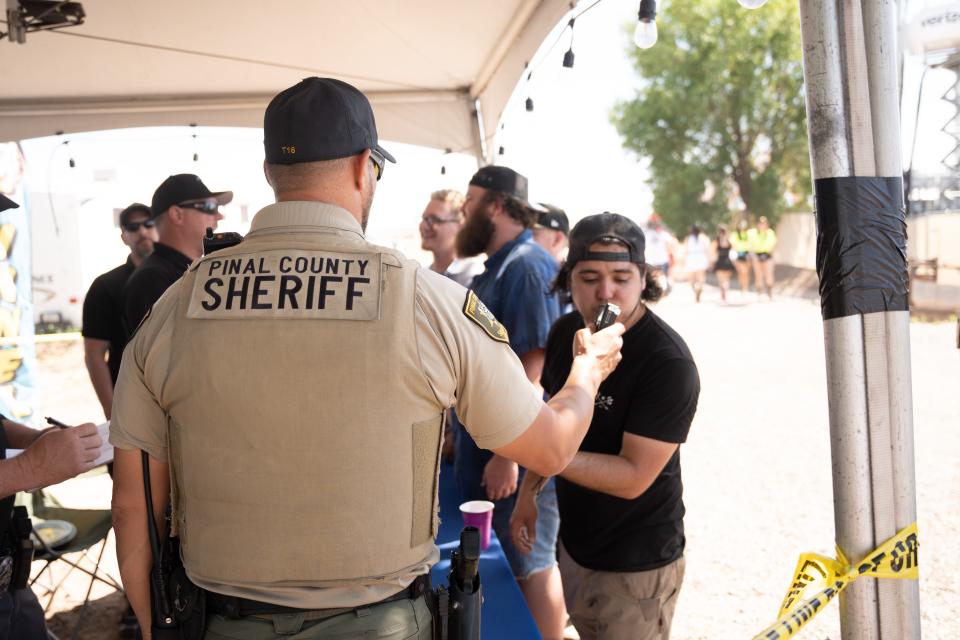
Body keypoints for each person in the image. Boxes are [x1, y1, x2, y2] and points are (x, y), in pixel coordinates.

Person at [109, 77, 625, 640]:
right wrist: (586, 372)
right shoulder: (426, 301)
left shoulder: (174, 308)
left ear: (269, 174)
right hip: (382, 623)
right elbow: (549, 446)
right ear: (364, 167)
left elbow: (134, 506)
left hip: (220, 621)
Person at [511, 213, 700, 640]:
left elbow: (634, 476)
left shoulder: (666, 361)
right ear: (568, 279)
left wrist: (547, 452)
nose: (606, 291)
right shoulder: (565, 334)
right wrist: (528, 493)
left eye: (621, 277)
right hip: (575, 544)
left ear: (644, 280)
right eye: (589, 277)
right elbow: (554, 421)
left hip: (637, 562)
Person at [453, 165, 567, 638]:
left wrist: (506, 453)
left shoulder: (526, 265)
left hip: (513, 454)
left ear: (496, 206)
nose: (464, 209)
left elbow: (533, 365)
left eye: (471, 199)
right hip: (491, 451)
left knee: (529, 567)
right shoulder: (501, 264)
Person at [121, 173, 230, 335]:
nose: (219, 216)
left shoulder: (189, 271)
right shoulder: (152, 279)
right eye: (209, 207)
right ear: (177, 215)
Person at [82, 203, 158, 420]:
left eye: (148, 223)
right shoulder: (105, 286)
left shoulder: (182, 276)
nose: (142, 231)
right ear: (124, 237)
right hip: (131, 404)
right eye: (133, 227)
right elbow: (94, 354)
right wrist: (112, 412)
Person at [418, 188, 482, 287]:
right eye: (424, 218)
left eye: (433, 219)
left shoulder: (473, 277)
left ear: (461, 225)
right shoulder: (422, 277)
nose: (423, 226)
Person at [643, 214, 675, 294]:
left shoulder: (649, 233)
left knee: (659, 277)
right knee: (658, 277)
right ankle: (660, 290)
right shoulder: (649, 233)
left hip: (657, 260)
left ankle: (662, 290)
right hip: (656, 260)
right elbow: (672, 242)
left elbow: (671, 243)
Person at [749, 216, 777, 299]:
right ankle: (759, 291)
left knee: (769, 273)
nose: (762, 225)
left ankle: (769, 291)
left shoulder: (770, 232)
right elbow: (751, 244)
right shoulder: (753, 233)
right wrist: (753, 255)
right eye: (761, 223)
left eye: (764, 223)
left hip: (767, 255)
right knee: (758, 274)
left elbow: (773, 244)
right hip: (757, 255)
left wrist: (769, 253)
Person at [683, 224, 710, 303]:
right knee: (701, 276)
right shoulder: (704, 238)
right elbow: (707, 249)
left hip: (691, 257)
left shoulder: (688, 238)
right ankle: (700, 287)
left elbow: (685, 250)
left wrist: (684, 261)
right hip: (701, 257)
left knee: (691, 277)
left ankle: (695, 288)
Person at [712, 224, 735, 302]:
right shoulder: (729, 240)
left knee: (721, 280)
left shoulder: (717, 241)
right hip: (727, 261)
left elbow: (713, 252)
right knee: (726, 279)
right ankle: (725, 291)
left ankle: (723, 291)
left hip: (720, 261)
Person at [730, 218, 752, 296]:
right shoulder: (735, 234)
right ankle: (742, 287)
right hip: (738, 255)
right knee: (741, 272)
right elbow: (733, 245)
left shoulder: (748, 234)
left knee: (746, 273)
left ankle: (745, 288)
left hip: (747, 254)